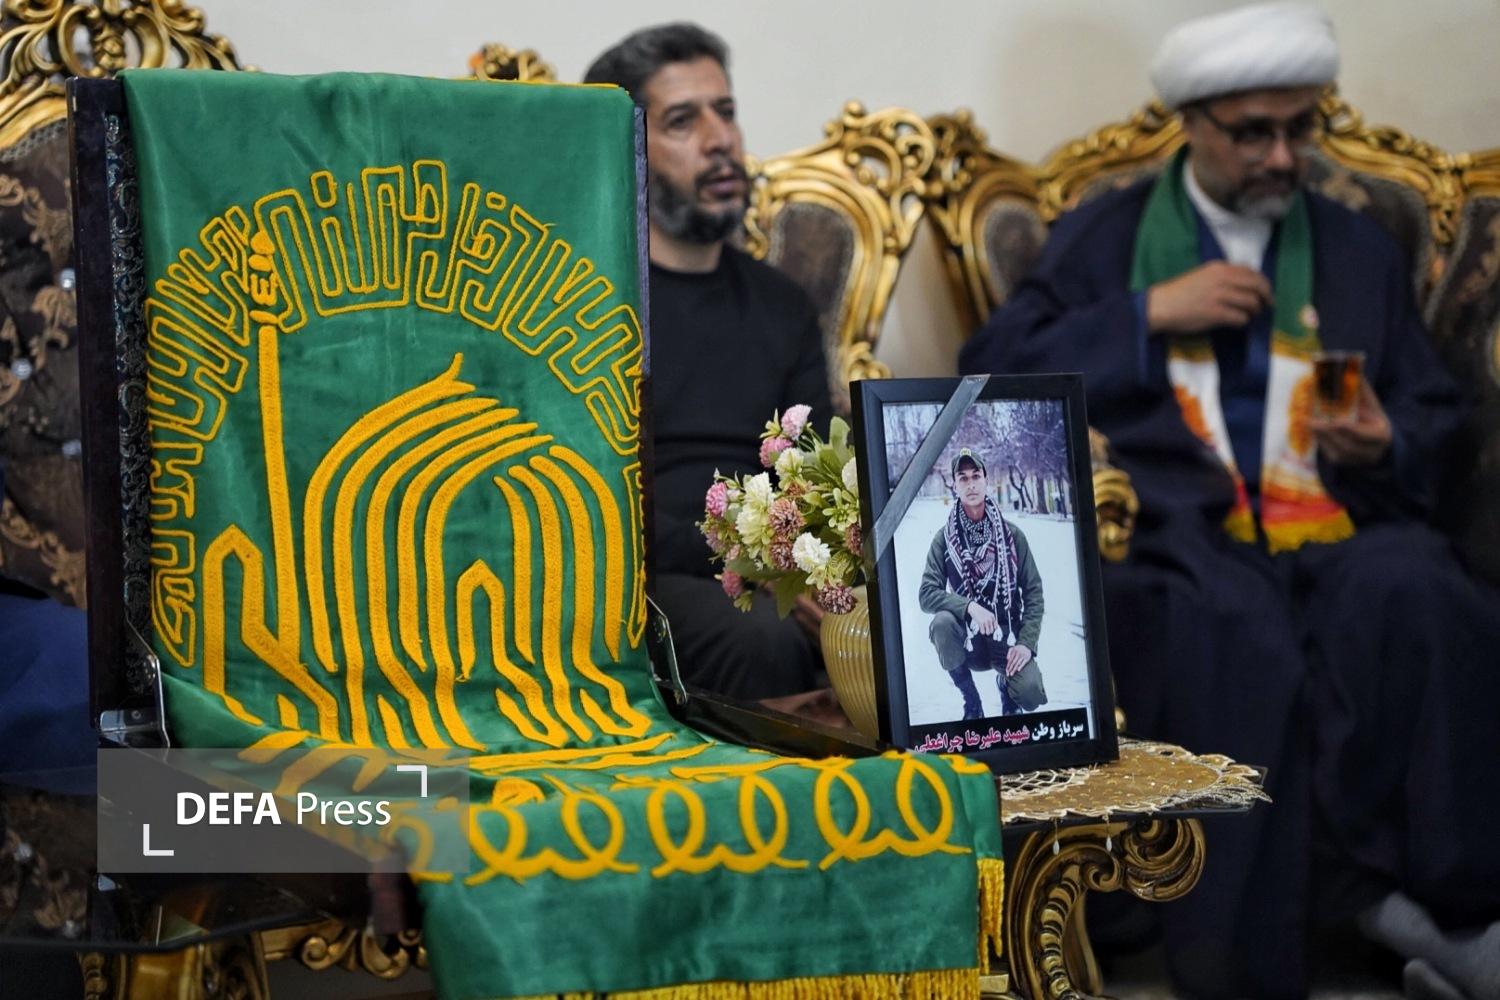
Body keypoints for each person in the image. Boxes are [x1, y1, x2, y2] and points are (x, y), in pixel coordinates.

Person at [959, 4, 1500, 998]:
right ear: (1194, 126)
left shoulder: (1353, 248)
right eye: (1254, 133)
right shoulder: (1105, 239)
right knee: (1234, 634)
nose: (1282, 156)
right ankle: (1280, 952)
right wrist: (1147, 314)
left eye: (1300, 129)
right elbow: (993, 376)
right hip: (1175, 527)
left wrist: (1386, 438)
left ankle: (1459, 911)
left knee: (1423, 594)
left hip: (1335, 521)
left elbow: (1433, 408)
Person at [584, 25, 832, 702]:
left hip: (768, 567)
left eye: (725, 111)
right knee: (757, 639)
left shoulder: (782, 304)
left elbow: (813, 475)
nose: (720, 138)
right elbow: (595, 495)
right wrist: (749, 567)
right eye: (682, 121)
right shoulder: (591, 301)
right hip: (642, 571)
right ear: (628, 148)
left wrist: (804, 570)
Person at [919, 449, 1045, 720]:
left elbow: (1034, 592)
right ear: (954, 486)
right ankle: (972, 702)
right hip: (969, 640)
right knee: (941, 623)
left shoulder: (1012, 535)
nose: (971, 484)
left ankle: (1006, 687)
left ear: (987, 480)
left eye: (976, 476)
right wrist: (970, 607)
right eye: (963, 478)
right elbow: (927, 594)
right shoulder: (944, 540)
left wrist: (1026, 643)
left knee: (1031, 692)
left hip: (1007, 637)